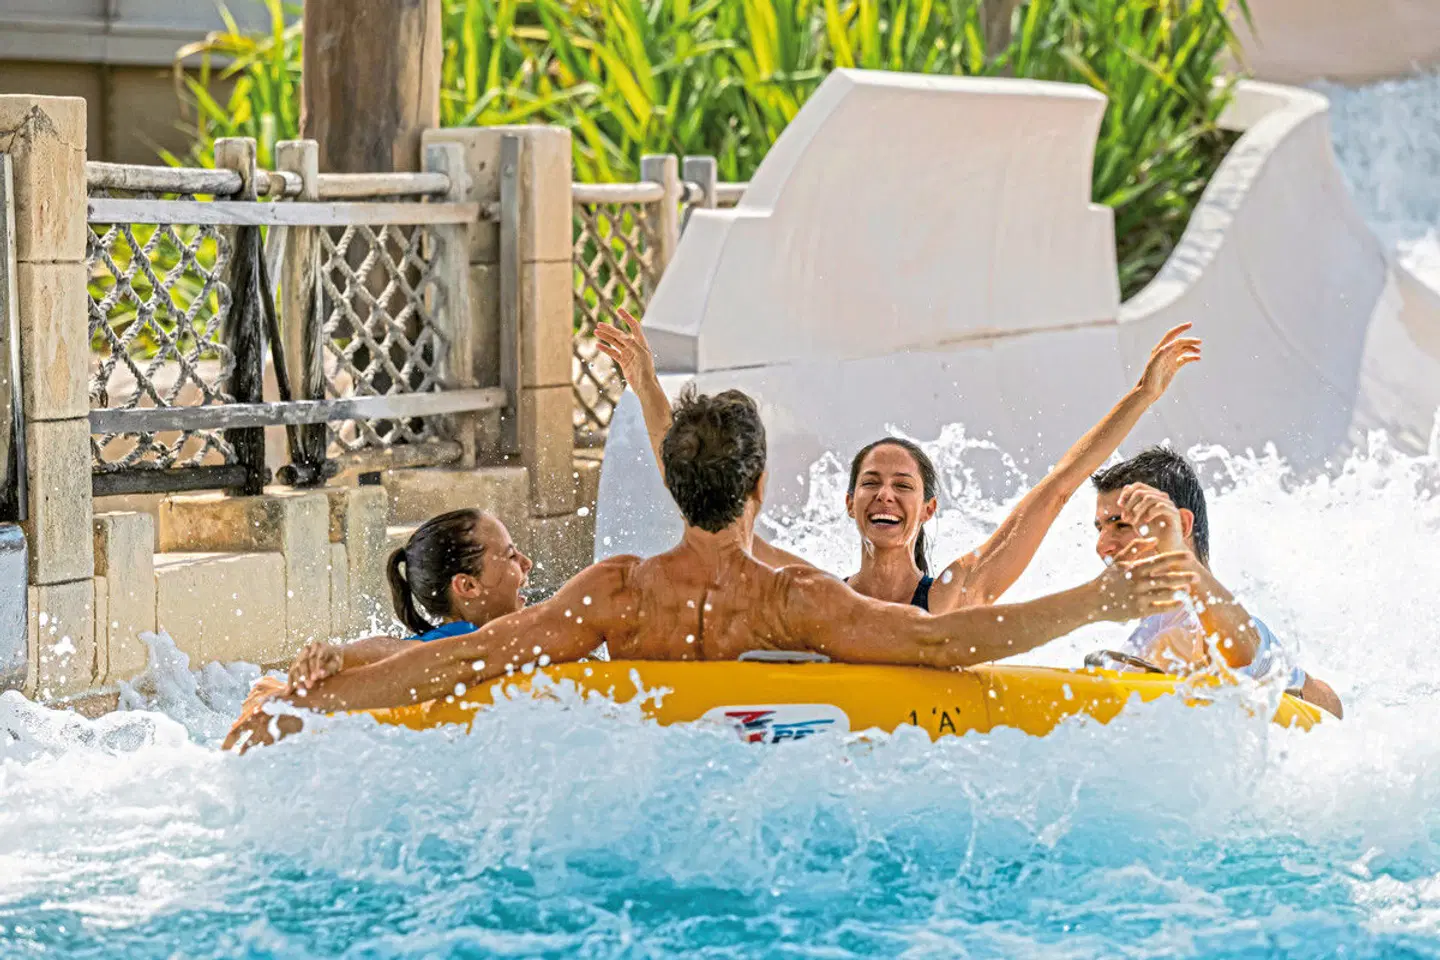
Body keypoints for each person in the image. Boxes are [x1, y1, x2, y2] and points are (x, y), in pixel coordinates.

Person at [224, 387, 1197, 752]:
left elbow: (472, 658)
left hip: (627, 759)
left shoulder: (615, 591)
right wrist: (1101, 599)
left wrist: (319, 704)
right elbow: (947, 646)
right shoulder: (792, 598)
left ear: (675, 486)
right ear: (762, 487)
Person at [594, 310, 1201, 613]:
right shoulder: (816, 593)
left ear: (928, 508)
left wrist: (1142, 396)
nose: (885, 495)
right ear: (850, 503)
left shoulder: (957, 593)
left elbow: (1060, 486)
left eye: (903, 486)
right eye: (871, 484)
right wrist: (647, 387)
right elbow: (702, 492)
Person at [1090, 447, 1343, 718]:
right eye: (1101, 528)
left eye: (1121, 525)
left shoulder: (1214, 627)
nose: (1101, 545)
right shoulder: (1151, 627)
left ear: (1181, 526)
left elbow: (1330, 710)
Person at [270, 509, 534, 695]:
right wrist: (342, 654)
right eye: (511, 556)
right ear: (467, 585)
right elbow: (397, 650)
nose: (526, 563)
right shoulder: (462, 636)